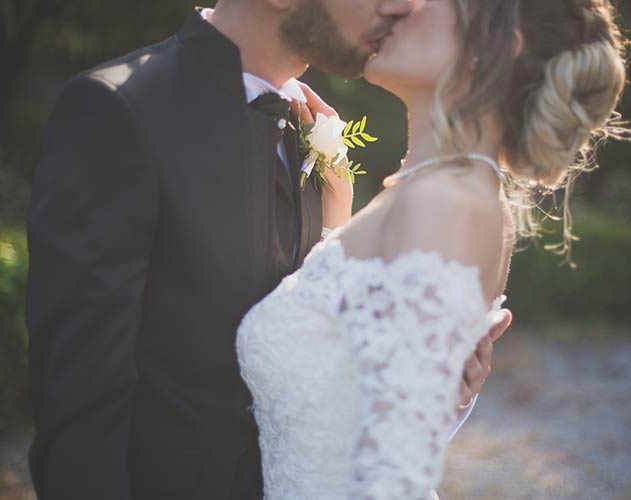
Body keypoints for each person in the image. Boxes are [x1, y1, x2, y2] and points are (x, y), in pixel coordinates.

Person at [26, 1, 509, 499]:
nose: (395, 4)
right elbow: (80, 420)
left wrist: (421, 384)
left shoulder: (311, 132)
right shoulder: (119, 111)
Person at [236, 0, 629, 498]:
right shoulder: (441, 191)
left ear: (491, 51)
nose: (400, 6)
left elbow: (392, 481)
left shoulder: (444, 204)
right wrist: (336, 217)